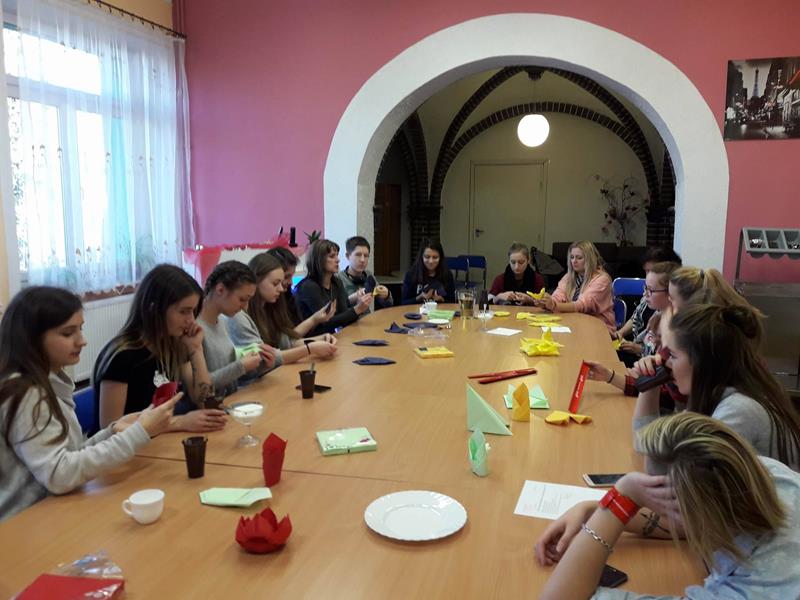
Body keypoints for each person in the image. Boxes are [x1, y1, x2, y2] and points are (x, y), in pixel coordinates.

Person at [536, 412, 800, 599]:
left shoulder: (747, 592)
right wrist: (593, 509)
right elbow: (690, 519)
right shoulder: (766, 474)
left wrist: (621, 497)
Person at [0, 287, 180, 521]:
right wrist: (139, 433)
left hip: (54, 510)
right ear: (31, 338)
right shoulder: (25, 393)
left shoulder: (50, 382)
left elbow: (69, 455)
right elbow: (59, 475)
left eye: (80, 329)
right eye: (68, 333)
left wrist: (113, 431)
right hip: (23, 522)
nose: (82, 341)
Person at [632, 303, 800, 470]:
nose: (666, 363)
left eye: (673, 356)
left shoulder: (738, 410)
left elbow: (668, 473)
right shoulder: (714, 398)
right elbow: (647, 447)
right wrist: (650, 385)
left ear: (702, 362)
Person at [93, 264, 227, 434]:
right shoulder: (122, 356)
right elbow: (109, 430)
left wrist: (196, 349)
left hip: (160, 440)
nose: (191, 320)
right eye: (184, 312)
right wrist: (178, 422)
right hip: (132, 448)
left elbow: (203, 400)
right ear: (154, 308)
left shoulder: (174, 345)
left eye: (193, 311)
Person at [227, 252, 338, 365]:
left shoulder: (270, 307)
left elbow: (286, 343)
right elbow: (264, 359)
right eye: (275, 283)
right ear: (257, 281)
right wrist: (309, 349)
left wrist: (320, 339)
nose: (281, 288)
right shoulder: (238, 315)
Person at [198, 261, 276, 397]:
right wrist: (241, 366)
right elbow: (200, 387)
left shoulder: (221, 321)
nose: (245, 306)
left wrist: (261, 366)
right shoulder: (195, 330)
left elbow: (230, 376)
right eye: (242, 299)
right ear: (220, 290)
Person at [615, 246, 682, 363]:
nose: (649, 276)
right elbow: (635, 317)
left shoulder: (672, 322)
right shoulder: (652, 297)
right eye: (647, 271)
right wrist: (620, 333)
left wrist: (638, 349)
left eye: (653, 271)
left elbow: (661, 361)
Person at [294, 239, 373, 335]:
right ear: (319, 260)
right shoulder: (308, 286)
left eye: (337, 255)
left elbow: (345, 319)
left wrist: (359, 306)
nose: (338, 260)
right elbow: (326, 322)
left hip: (330, 338)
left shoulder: (336, 283)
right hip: (309, 340)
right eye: (332, 256)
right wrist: (358, 309)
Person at [537, 241, 615, 334]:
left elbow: (583, 305)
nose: (574, 261)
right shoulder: (568, 277)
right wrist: (545, 302)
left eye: (579, 258)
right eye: (572, 257)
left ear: (590, 259)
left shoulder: (602, 280)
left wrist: (554, 305)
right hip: (574, 323)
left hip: (599, 328)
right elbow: (557, 297)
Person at [335, 236, 393, 311]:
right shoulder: (337, 278)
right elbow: (335, 311)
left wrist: (386, 295)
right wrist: (352, 299)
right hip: (348, 318)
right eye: (358, 255)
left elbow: (388, 304)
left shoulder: (368, 275)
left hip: (368, 317)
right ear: (348, 256)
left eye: (366, 256)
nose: (362, 260)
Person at [401, 239, 456, 305]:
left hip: (440, 310)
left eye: (435, 257)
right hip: (416, 310)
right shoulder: (411, 275)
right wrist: (419, 297)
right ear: (422, 257)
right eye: (427, 257)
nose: (431, 261)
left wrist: (441, 299)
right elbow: (404, 303)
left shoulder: (447, 275)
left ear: (440, 258)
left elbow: (453, 302)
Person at [267, 246, 302, 326]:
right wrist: (313, 320)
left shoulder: (287, 295)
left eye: (292, 276)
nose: (291, 282)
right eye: (286, 277)